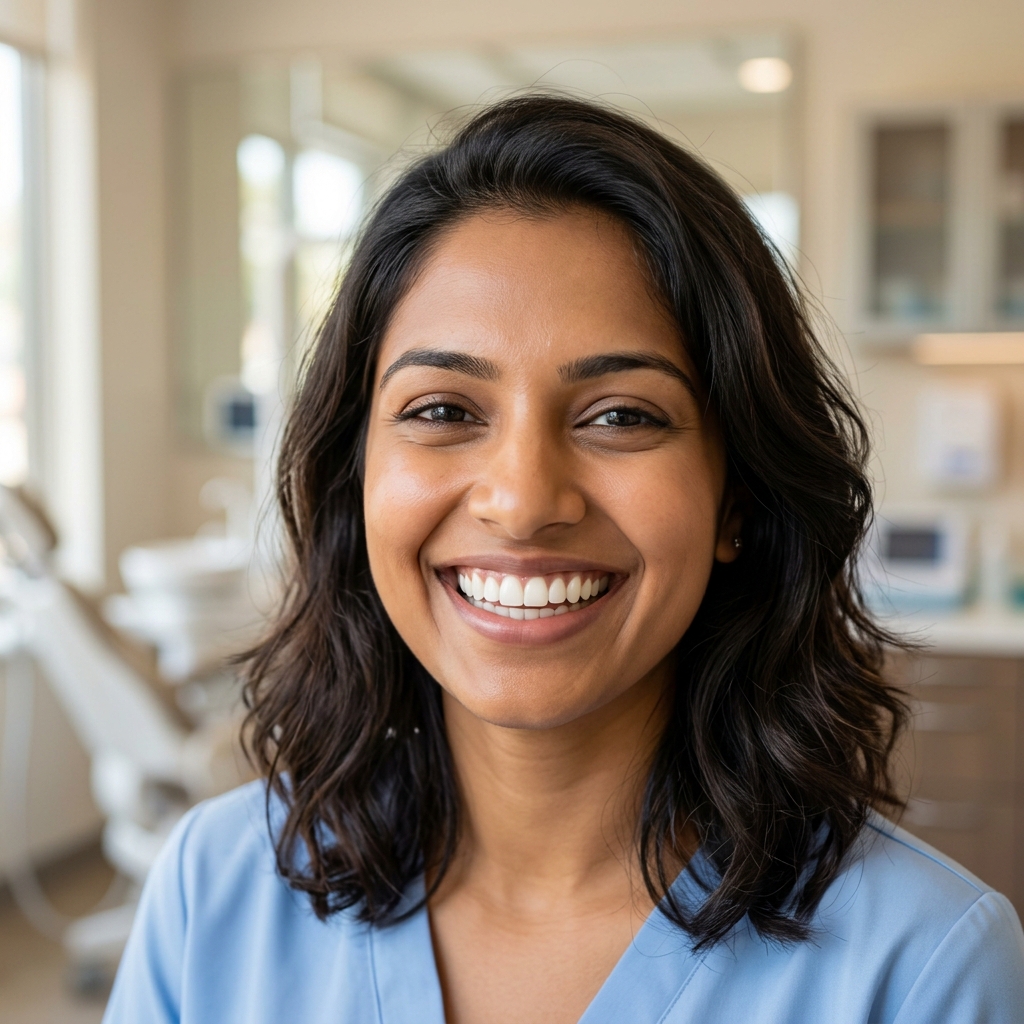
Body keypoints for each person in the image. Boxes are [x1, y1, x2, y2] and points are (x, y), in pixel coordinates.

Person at [103, 96, 1024, 1024]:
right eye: (443, 411)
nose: (524, 500)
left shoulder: (925, 969)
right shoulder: (210, 898)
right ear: (358, 478)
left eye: (622, 415)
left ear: (735, 501)